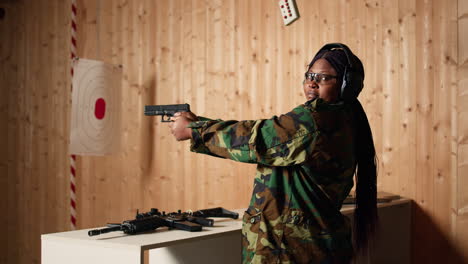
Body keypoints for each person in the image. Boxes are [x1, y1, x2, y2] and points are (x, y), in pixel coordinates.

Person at [169, 43, 378, 263]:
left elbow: (258, 139)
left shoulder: (313, 120)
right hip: (315, 246)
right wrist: (200, 124)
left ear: (346, 86)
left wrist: (195, 131)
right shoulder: (346, 117)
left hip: (290, 251)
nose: (312, 83)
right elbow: (267, 133)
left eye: (324, 78)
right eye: (309, 75)